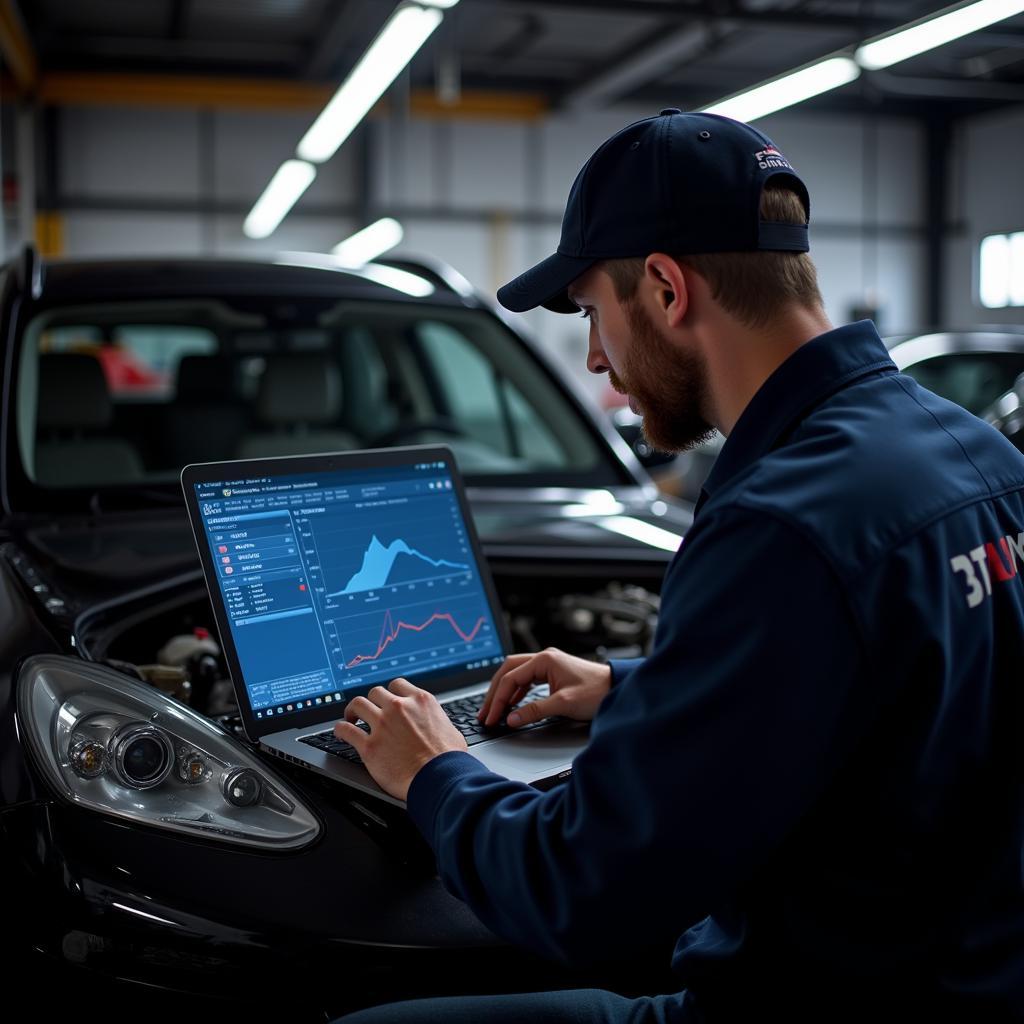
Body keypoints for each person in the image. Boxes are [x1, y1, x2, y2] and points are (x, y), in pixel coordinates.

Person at [333, 110, 1024, 1021]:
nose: (594, 358)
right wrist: (635, 688)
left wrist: (434, 769)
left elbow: (582, 896)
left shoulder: (780, 524)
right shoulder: (972, 453)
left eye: (589, 313)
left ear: (664, 288)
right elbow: (894, 687)